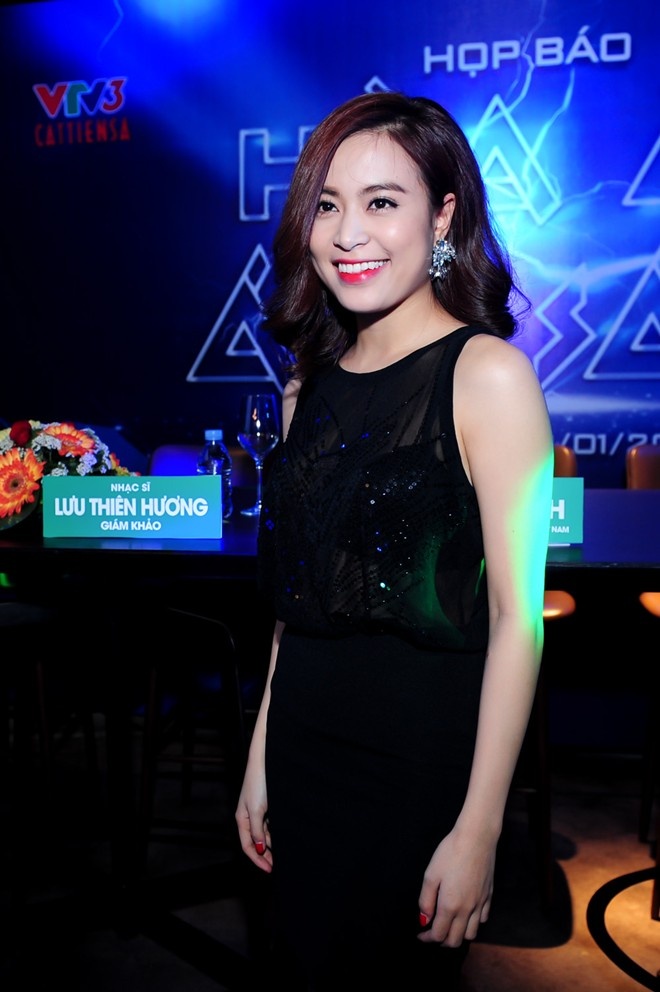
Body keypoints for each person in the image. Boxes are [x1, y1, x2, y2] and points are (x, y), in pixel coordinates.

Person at [235, 90, 553, 990]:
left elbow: (517, 621)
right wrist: (259, 760)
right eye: (327, 205)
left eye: (382, 201)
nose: (349, 233)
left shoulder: (489, 376)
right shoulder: (304, 389)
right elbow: (295, 607)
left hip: (418, 765)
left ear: (442, 216)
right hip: (302, 749)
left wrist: (481, 826)